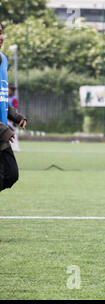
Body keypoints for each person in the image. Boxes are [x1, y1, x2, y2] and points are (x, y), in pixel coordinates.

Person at [0, 23, 27, 192]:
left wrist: (15, 116)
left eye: (0, 32)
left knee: (10, 174)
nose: (0, 37)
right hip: (1, 132)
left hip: (1, 134)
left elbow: (2, 97)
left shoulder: (3, 60)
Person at [8, 85, 20, 152]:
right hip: (7, 117)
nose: (8, 91)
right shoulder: (6, 98)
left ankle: (16, 147)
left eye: (9, 90)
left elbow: (15, 109)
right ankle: (11, 146)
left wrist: (13, 118)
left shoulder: (14, 99)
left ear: (12, 91)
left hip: (12, 118)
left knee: (13, 132)